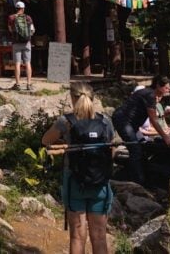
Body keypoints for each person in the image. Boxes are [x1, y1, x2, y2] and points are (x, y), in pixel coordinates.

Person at [42, 82, 113, 254]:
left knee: (77, 236)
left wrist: (64, 143)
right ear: (93, 98)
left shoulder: (65, 122)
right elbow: (111, 150)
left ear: (72, 98)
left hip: (74, 181)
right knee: (99, 236)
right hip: (100, 183)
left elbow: (45, 141)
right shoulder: (105, 121)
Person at [111, 75, 170, 184]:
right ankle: (136, 181)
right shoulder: (150, 95)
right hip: (123, 121)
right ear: (158, 86)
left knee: (142, 146)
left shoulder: (150, 94)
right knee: (135, 149)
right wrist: (166, 137)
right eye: (166, 87)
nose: (168, 90)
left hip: (131, 123)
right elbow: (154, 119)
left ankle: (144, 174)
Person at [7, 1, 35, 91]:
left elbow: (10, 30)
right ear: (23, 9)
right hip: (27, 43)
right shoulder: (28, 17)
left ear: (16, 8)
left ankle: (18, 84)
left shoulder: (11, 18)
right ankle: (29, 84)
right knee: (28, 63)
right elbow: (32, 30)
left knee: (17, 64)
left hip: (16, 43)